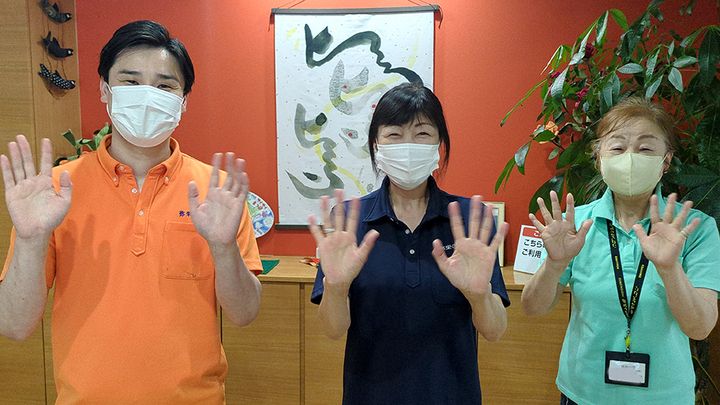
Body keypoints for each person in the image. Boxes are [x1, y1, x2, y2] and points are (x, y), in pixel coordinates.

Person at [0, 20, 262, 404]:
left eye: (165, 86)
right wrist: (30, 239)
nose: (148, 96)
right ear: (105, 90)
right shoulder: (53, 193)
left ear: (184, 100)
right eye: (131, 81)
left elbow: (244, 314)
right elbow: (13, 324)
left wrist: (223, 249)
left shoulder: (217, 192)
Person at [308, 82, 510, 404]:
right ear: (376, 144)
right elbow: (333, 330)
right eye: (394, 134)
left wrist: (479, 295)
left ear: (439, 144)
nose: (408, 145)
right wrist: (337, 286)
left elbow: (495, 330)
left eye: (422, 133)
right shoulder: (349, 220)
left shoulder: (470, 220)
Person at [521, 96, 720, 404]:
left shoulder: (694, 228)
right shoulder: (576, 225)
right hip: (583, 393)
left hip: (664, 397)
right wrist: (555, 264)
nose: (630, 158)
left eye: (645, 148)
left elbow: (700, 327)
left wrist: (670, 269)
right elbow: (533, 308)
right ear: (598, 157)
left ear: (666, 161)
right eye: (617, 147)